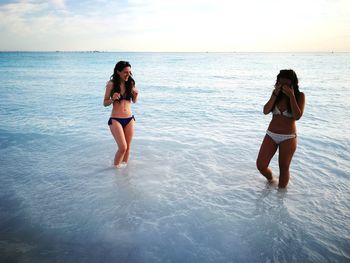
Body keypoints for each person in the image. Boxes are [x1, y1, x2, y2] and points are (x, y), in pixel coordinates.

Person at [256, 69, 305, 188]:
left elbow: (297, 116)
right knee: (261, 165)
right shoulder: (276, 94)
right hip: (271, 134)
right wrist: (275, 94)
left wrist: (291, 96)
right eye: (280, 83)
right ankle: (271, 180)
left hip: (288, 137)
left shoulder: (300, 96)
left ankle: (281, 198)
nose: (283, 86)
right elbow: (265, 111)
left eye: (286, 84)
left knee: (284, 168)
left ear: (293, 83)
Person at [103, 61, 138, 168]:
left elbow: (134, 101)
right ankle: (115, 170)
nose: (128, 75)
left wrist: (136, 95)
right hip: (116, 119)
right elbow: (105, 103)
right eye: (125, 72)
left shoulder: (130, 83)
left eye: (130, 72)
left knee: (128, 148)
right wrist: (112, 99)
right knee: (122, 147)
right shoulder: (111, 84)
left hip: (129, 119)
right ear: (118, 72)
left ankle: (123, 174)